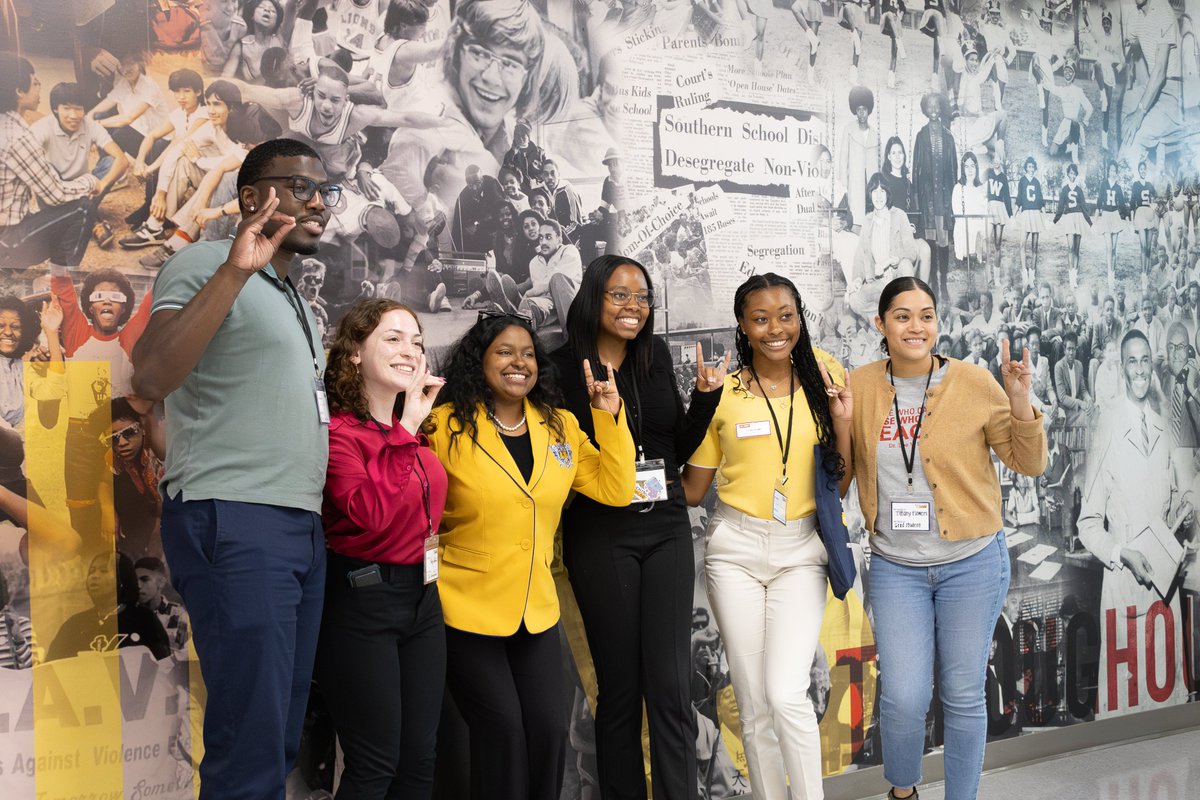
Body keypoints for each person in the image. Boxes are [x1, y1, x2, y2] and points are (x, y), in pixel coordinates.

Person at [131, 138, 334, 799]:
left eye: (325, 191)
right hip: (235, 516)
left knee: (277, 735)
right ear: (252, 198)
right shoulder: (204, 263)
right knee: (249, 740)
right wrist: (235, 270)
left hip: (300, 524)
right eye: (301, 187)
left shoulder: (295, 297)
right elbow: (153, 373)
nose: (320, 202)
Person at [834, 276, 1046, 800]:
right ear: (880, 324)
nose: (916, 326)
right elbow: (839, 477)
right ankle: (903, 791)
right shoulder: (858, 385)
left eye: (926, 315)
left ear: (938, 322)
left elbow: (1029, 461)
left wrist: (1020, 400)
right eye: (902, 316)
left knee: (962, 692)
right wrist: (838, 426)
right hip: (895, 566)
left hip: (971, 561)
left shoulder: (974, 382)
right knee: (905, 696)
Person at [425, 312, 635, 800]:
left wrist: (607, 413)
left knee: (545, 731)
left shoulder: (559, 426)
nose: (518, 362)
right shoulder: (444, 424)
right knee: (502, 734)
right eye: (504, 351)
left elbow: (616, 487)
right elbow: (417, 512)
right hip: (464, 608)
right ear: (480, 361)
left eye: (527, 354)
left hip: (535, 611)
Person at [551, 256, 728, 800]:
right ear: (593, 298)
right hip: (602, 535)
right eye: (620, 295)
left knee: (672, 689)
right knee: (621, 691)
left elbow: (672, 442)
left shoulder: (650, 361)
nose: (634, 307)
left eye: (642, 297)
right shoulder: (558, 368)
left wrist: (703, 399)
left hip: (668, 526)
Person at [681, 272, 846, 800]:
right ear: (743, 327)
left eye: (786, 315)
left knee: (786, 694)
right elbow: (693, 490)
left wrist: (842, 424)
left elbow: (839, 482)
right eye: (761, 318)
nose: (776, 328)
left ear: (800, 318)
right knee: (752, 703)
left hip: (801, 550)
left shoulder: (827, 377)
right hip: (734, 551)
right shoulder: (723, 392)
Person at [317, 298, 448, 799]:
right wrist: (407, 428)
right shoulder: (338, 434)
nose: (410, 351)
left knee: (420, 760)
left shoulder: (415, 432)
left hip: (424, 598)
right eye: (392, 338)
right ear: (353, 352)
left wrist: (409, 430)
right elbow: (369, 513)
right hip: (362, 600)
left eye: (416, 341)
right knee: (375, 765)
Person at [1078, 329, 1189, 718]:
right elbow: (1087, 524)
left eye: (1145, 360)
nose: (1140, 369)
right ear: (1122, 368)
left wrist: (1181, 531)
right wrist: (1121, 552)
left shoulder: (1162, 428)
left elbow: (1168, 508)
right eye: (1131, 361)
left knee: (1167, 703)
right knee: (1124, 712)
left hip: (1165, 589)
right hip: (1124, 586)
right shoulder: (1106, 427)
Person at [0, 54, 98, 269]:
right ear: (19, 91)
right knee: (83, 208)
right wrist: (90, 181)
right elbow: (56, 195)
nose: (39, 89)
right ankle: (62, 282)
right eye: (35, 83)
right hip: (7, 241)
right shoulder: (17, 136)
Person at [911, 92, 957, 302]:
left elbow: (954, 170)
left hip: (944, 200)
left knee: (943, 242)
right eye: (930, 106)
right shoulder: (921, 136)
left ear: (941, 108)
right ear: (925, 109)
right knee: (930, 243)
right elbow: (915, 169)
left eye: (937, 106)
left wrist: (954, 198)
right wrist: (918, 198)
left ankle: (944, 284)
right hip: (928, 199)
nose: (934, 110)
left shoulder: (948, 137)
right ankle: (932, 283)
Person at [134, 556, 190, 658]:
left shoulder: (179, 615)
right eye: (135, 580)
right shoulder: (129, 616)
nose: (138, 585)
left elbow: (184, 656)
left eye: (144, 580)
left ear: (161, 582)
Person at [839, 86, 878, 227]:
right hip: (854, 184)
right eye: (859, 109)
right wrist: (843, 187)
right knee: (855, 220)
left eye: (864, 109)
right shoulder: (849, 130)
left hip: (870, 184)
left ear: (869, 110)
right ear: (855, 110)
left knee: (870, 220)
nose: (861, 113)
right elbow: (843, 160)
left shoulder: (875, 134)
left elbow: (879, 163)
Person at [1053, 162, 1091, 289]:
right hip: (1069, 218)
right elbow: (1060, 207)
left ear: (1076, 175)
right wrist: (1054, 220)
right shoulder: (1064, 189)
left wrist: (1090, 222)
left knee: (1076, 249)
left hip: (1079, 217)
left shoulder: (1079, 190)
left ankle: (1075, 277)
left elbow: (1084, 207)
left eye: (1074, 173)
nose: (1072, 175)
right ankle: (1071, 278)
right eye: (1070, 173)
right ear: (1068, 174)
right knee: (1070, 248)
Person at [1093, 160, 1130, 285]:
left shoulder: (1118, 187)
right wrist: (1095, 220)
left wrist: (1128, 220)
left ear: (1116, 172)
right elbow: (1099, 202)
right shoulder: (1103, 185)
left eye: (1115, 170)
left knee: (1114, 248)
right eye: (1111, 170)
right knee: (1109, 247)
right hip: (1106, 215)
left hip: (1115, 216)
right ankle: (1109, 275)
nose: (1113, 172)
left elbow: (1123, 205)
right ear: (1108, 171)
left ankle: (1113, 274)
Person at [1013, 156, 1048, 288]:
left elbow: (1040, 200)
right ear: (1026, 168)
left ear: (1035, 168)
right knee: (1022, 245)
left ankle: (1032, 278)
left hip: (1035, 214)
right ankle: (1025, 276)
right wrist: (1013, 214)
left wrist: (1046, 217)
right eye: (1029, 167)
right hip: (1026, 214)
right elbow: (1019, 199)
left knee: (1034, 247)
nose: (1031, 169)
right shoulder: (1022, 181)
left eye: (1033, 167)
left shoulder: (1037, 182)